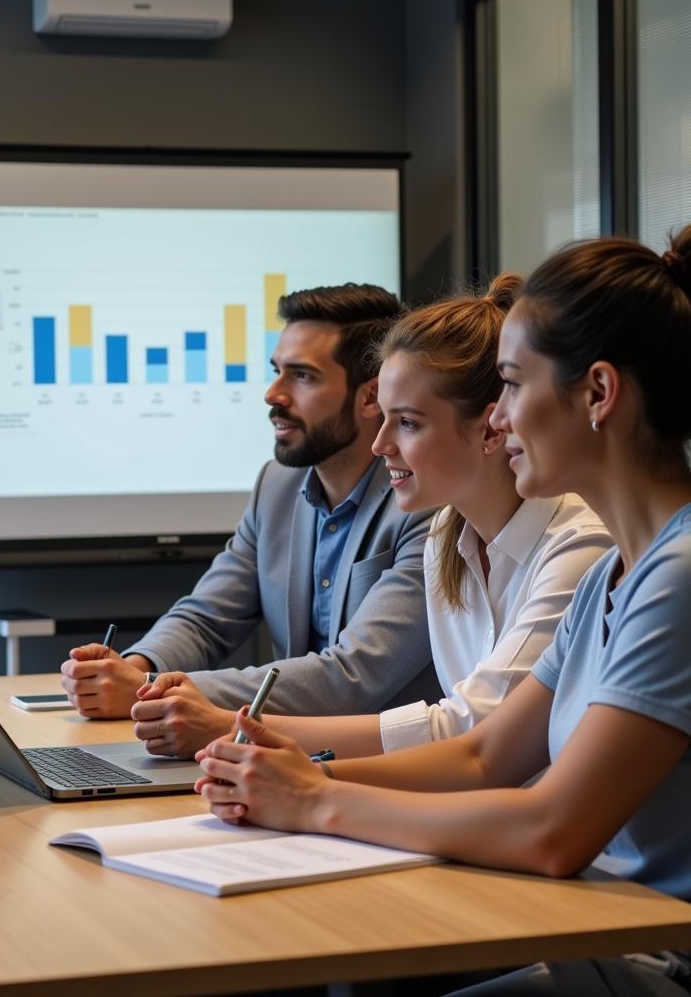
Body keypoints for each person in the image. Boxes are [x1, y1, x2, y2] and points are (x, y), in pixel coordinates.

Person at [197, 226, 691, 996]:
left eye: (514, 387)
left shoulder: (678, 576)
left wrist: (317, 800)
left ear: (598, 394)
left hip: (649, 961)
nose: (499, 420)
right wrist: (292, 778)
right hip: (598, 943)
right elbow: (485, 755)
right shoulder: (618, 576)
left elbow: (553, 830)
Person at [143, 276, 611, 760]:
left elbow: (470, 734)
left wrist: (246, 736)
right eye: (386, 418)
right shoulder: (449, 538)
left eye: (407, 423)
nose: (379, 444)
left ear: (492, 430)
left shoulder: (580, 546)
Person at [60, 284, 440, 743]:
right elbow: (206, 619)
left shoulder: (427, 502)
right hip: (276, 760)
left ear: (369, 398)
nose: (272, 394)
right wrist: (137, 666)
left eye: (302, 376)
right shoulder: (275, 486)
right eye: (277, 371)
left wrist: (149, 690)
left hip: (383, 772)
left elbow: (352, 677)